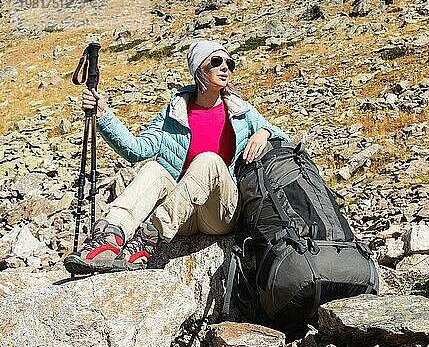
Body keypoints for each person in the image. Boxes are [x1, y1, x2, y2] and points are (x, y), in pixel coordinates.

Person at [64, 40, 289, 274]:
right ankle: (109, 237)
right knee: (154, 170)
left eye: (228, 63)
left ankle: (148, 237)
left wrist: (264, 132)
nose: (225, 68)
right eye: (216, 61)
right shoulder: (175, 112)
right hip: (181, 214)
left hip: (219, 214)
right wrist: (103, 115)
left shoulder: (241, 111)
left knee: (208, 160)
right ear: (197, 68)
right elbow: (135, 149)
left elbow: (283, 136)